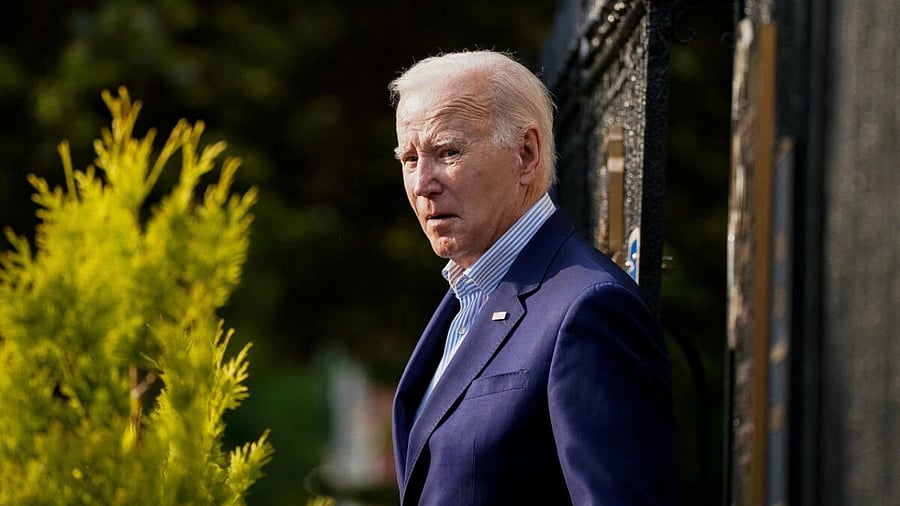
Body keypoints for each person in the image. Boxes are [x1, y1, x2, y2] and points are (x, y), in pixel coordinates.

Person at [389, 50, 678, 505]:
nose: (423, 182)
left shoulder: (588, 308)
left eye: (448, 151)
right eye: (409, 158)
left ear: (526, 154)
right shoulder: (467, 301)